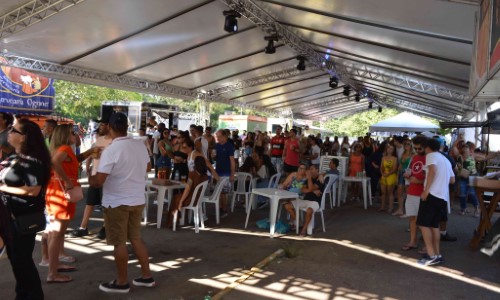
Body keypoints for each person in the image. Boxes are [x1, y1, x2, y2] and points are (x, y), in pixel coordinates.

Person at [89, 112, 155, 293]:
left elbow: (99, 181)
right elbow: (148, 167)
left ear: (110, 128)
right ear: (127, 127)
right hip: (137, 199)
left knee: (119, 243)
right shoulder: (139, 145)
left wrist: (90, 173)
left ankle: (122, 282)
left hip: (117, 202)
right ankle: (146, 276)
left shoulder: (111, 150)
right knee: (135, 238)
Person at [0, 120, 51, 299]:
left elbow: (33, 189)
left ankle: (33, 295)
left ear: (24, 138)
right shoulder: (15, 157)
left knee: (22, 261)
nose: (9, 131)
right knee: (16, 260)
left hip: (21, 218)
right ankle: (23, 294)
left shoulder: (33, 161)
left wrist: (2, 188)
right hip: (9, 218)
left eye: (13, 130)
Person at [45, 124, 99, 283]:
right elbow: (56, 162)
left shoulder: (61, 149)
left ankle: (54, 265)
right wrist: (68, 181)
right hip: (63, 195)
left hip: (55, 192)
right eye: (73, 133)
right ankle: (52, 272)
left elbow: (67, 161)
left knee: (56, 233)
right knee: (57, 233)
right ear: (66, 135)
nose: (76, 135)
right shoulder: (65, 149)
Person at [69, 118, 112, 239]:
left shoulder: (114, 142)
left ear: (109, 126)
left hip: (107, 177)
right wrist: (88, 168)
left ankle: (105, 227)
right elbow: (92, 155)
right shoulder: (98, 140)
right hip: (95, 175)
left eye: (103, 124)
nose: (100, 127)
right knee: (90, 202)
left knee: (106, 204)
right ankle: (83, 227)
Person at [417, 138, 455, 266]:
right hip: (442, 197)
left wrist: (426, 190)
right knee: (434, 226)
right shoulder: (445, 159)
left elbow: (432, 170)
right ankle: (437, 255)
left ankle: (432, 255)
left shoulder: (431, 155)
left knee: (423, 224)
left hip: (432, 195)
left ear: (427, 147)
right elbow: (452, 180)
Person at [166, 156, 209, 229]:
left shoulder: (192, 174)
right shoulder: (206, 176)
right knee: (177, 197)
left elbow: (187, 189)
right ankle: (175, 218)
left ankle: (172, 221)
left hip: (191, 199)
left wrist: (181, 202)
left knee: (176, 198)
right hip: (198, 199)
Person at [284, 164, 325, 236]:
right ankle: (298, 222)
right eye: (309, 169)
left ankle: (304, 229)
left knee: (309, 210)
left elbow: (311, 188)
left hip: (315, 202)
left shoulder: (320, 180)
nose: (309, 171)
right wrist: (312, 190)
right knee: (287, 206)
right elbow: (302, 190)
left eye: (312, 169)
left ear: (317, 170)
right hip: (305, 200)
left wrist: (310, 184)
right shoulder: (308, 179)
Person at [401, 136, 427, 251]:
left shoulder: (430, 158)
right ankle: (413, 241)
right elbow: (411, 170)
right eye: (415, 148)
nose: (417, 150)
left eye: (419, 148)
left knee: (424, 221)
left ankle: (428, 245)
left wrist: (420, 181)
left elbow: (435, 178)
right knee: (412, 218)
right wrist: (407, 175)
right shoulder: (415, 157)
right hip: (412, 191)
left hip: (423, 193)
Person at [214, 129, 235, 217]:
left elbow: (232, 160)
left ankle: (224, 209)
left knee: (224, 193)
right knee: (218, 192)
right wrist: (213, 156)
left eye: (219, 137)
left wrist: (232, 174)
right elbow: (216, 158)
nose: (218, 138)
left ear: (225, 136)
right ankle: (219, 208)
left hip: (226, 172)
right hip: (218, 171)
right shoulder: (217, 145)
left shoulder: (229, 146)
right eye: (217, 137)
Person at [456, 143, 479, 216]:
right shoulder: (459, 157)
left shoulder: (472, 156)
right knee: (462, 193)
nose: (465, 149)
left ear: (470, 150)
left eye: (467, 148)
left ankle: (476, 209)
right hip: (463, 177)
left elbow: (485, 157)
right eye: (464, 148)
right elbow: (454, 147)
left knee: (472, 193)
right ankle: (463, 208)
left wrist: (494, 155)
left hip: (472, 177)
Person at [394, 140, 414, 216]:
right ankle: (400, 209)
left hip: (408, 174)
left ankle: (408, 211)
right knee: (399, 191)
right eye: (405, 143)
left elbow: (413, 166)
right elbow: (400, 166)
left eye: (408, 144)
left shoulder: (413, 155)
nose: (406, 145)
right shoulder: (403, 154)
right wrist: (397, 175)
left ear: (411, 145)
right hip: (401, 173)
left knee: (407, 192)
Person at [379, 143, 398, 212]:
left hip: (391, 176)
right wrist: (382, 173)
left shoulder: (394, 158)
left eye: (391, 149)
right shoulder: (383, 157)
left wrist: (388, 174)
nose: (389, 150)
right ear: (386, 149)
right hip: (383, 176)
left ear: (393, 150)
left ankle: (390, 207)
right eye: (388, 148)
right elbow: (381, 167)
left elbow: (394, 168)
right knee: (383, 192)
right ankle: (382, 207)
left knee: (390, 192)